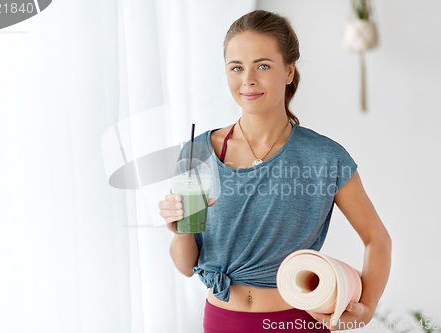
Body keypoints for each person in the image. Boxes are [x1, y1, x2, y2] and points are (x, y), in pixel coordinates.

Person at [158, 9, 391, 333]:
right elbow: (186, 267)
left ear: (289, 71)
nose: (248, 79)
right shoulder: (198, 154)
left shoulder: (324, 157)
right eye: (236, 67)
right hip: (222, 319)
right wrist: (180, 231)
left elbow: (376, 238)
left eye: (263, 65)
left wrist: (367, 308)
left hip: (296, 321)